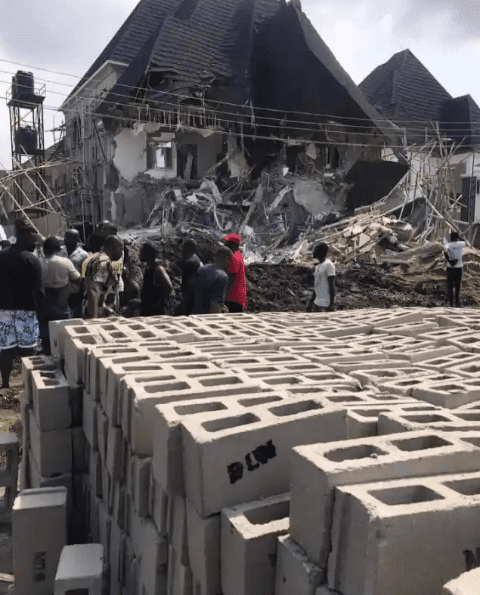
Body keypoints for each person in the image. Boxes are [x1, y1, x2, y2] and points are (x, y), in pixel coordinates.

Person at [0, 220, 42, 388]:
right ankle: (28, 383)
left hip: (3, 309)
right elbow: (39, 291)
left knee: (5, 349)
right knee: (28, 348)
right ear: (23, 238)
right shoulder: (32, 260)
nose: (36, 243)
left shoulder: (1, 255)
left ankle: (4, 383)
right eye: (33, 240)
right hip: (26, 310)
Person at [39, 236, 81, 353]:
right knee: (65, 333)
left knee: (45, 336)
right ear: (58, 249)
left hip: (44, 305)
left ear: (43, 249)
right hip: (62, 303)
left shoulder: (38, 263)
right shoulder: (64, 262)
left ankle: (48, 356)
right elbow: (78, 279)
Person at [82, 235, 124, 318]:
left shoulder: (94, 258)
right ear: (114, 247)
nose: (121, 253)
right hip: (97, 311)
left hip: (90, 307)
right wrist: (94, 319)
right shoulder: (104, 263)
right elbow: (94, 289)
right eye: (121, 249)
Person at [192, 246, 232, 314]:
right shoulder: (222, 277)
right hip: (207, 317)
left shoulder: (202, 269)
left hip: (195, 313)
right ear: (225, 259)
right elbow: (215, 305)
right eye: (230, 259)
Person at [139, 241, 173, 316]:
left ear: (148, 253)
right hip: (148, 311)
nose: (140, 253)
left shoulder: (158, 270)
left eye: (142, 251)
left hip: (158, 313)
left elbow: (169, 287)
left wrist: (157, 304)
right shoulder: (148, 268)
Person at [60, 229, 88, 317]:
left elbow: (85, 274)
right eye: (65, 236)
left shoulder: (83, 255)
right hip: (60, 292)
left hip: (76, 292)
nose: (65, 239)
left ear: (76, 238)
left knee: (76, 317)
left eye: (68, 237)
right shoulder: (58, 251)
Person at [176, 239, 202, 316]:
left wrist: (185, 301)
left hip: (190, 298)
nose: (182, 249)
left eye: (184, 247)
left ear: (188, 248)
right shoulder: (195, 259)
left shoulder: (190, 262)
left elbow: (191, 283)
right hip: (192, 297)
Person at [307, 242, 335, 312]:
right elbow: (316, 286)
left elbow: (332, 285)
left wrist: (332, 303)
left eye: (316, 249)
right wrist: (310, 303)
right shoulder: (318, 267)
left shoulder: (329, 265)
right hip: (316, 303)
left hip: (325, 304)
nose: (313, 251)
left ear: (321, 251)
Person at [223, 233, 247, 313]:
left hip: (234, 295)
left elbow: (232, 277)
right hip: (237, 294)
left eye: (227, 243)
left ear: (232, 244)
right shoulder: (238, 255)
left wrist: (225, 293)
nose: (224, 244)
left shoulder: (234, 258)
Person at [444, 231, 466, 307]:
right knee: (457, 285)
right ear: (457, 237)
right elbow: (464, 240)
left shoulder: (447, 245)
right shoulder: (461, 244)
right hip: (458, 268)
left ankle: (450, 302)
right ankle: (456, 301)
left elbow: (445, 254)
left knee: (450, 286)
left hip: (450, 268)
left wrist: (450, 261)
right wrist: (460, 237)